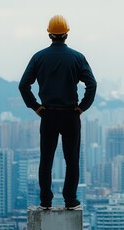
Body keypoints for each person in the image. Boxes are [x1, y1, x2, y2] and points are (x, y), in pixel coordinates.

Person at [19, 15, 97, 210]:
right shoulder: (77, 57)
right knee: (72, 160)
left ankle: (46, 200)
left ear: (49, 34)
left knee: (46, 160)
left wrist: (36, 106)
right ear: (66, 34)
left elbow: (23, 85)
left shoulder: (38, 57)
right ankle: (70, 199)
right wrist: (82, 107)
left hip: (48, 115)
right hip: (71, 115)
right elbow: (92, 84)